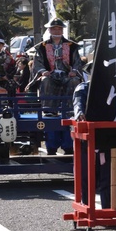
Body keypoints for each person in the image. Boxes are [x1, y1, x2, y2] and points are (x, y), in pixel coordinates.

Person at [33, 18, 82, 154]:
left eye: (59, 29)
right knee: (45, 81)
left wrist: (74, 71)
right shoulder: (41, 47)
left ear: (62, 30)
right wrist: (43, 72)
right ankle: (49, 109)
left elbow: (77, 63)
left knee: (74, 82)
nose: (56, 31)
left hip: (67, 76)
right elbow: (38, 64)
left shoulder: (71, 46)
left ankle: (71, 109)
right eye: (54, 28)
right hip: (51, 75)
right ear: (49, 30)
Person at [73, 80, 113, 208]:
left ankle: (107, 209)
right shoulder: (83, 87)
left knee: (108, 177)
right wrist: (79, 113)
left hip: (107, 137)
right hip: (88, 138)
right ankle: (87, 207)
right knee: (86, 176)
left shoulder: (113, 86)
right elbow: (78, 102)